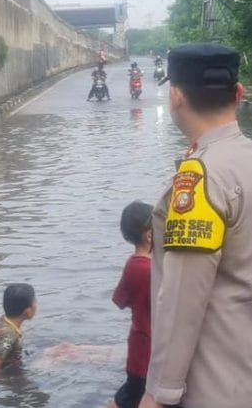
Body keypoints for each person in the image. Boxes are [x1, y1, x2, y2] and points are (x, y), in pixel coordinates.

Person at [139, 43, 252, 408]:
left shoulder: (200, 177)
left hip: (217, 386)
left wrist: (158, 392)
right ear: (238, 93)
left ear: (174, 97)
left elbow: (182, 296)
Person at [108, 201, 153, 408]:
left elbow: (120, 300)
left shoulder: (132, 264)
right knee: (141, 395)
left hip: (137, 346)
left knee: (131, 393)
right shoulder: (154, 270)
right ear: (149, 235)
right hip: (151, 350)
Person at [0, 283, 37, 374]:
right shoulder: (10, 335)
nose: (37, 304)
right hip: (11, 376)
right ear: (28, 311)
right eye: (35, 301)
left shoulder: (2, 321)